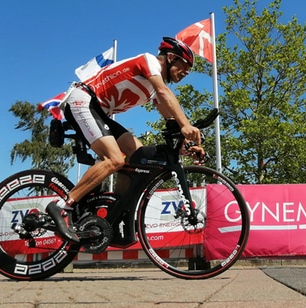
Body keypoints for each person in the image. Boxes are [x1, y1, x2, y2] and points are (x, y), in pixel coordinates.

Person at [46, 37, 205, 242]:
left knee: (138, 155)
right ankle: (61, 207)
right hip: (82, 100)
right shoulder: (149, 62)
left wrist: (189, 143)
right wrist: (186, 125)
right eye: (185, 66)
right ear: (172, 57)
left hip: (99, 112)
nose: (187, 72)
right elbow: (165, 93)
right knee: (114, 159)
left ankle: (113, 215)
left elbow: (171, 120)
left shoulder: (153, 89)